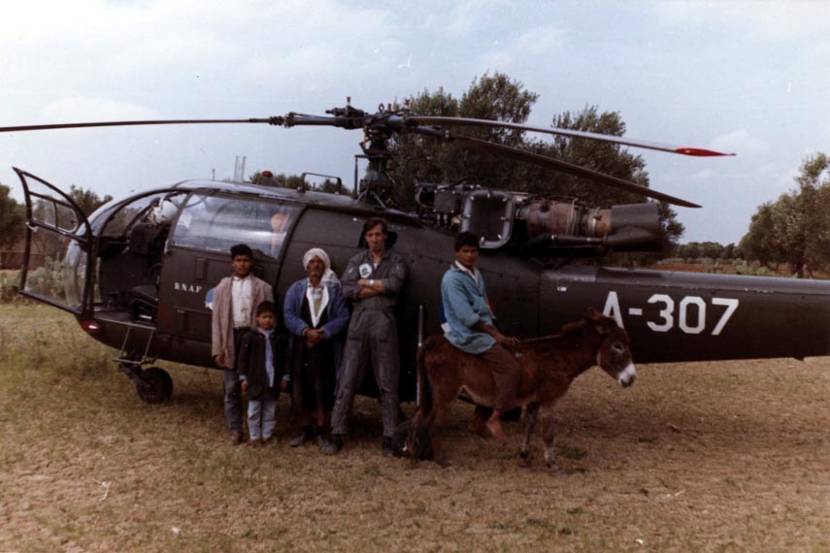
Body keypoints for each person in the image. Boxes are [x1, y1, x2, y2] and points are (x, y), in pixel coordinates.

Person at [324, 218, 407, 456]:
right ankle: (337, 432)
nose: (374, 239)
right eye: (370, 235)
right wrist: (374, 287)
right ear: (366, 237)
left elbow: (395, 285)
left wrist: (366, 284)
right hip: (358, 324)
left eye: (378, 235)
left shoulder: (396, 261)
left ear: (385, 236)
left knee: (387, 382)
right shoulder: (357, 260)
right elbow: (347, 288)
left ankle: (390, 437)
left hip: (384, 323)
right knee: (347, 379)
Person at [441, 231, 520, 440]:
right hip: (467, 334)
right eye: (465, 251)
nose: (469, 255)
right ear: (456, 253)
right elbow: (467, 317)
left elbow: (485, 305)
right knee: (510, 368)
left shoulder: (476, 273)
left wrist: (499, 331)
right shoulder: (452, 280)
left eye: (473, 251)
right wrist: (496, 336)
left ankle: (478, 421)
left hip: (484, 329)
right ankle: (496, 416)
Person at [283, 248, 350, 450]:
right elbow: (288, 314)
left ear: (325, 266)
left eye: (319, 263)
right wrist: (305, 331)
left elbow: (343, 316)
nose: (315, 266)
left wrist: (323, 333)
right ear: (306, 266)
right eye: (312, 262)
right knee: (301, 388)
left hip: (325, 349)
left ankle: (322, 431)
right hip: (301, 348)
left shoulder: (334, 291)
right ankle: (304, 428)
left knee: (323, 389)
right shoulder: (296, 289)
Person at [211, 244, 274, 445]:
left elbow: (270, 320)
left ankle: (258, 431)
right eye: (238, 260)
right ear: (232, 263)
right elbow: (217, 320)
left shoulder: (263, 288)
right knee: (231, 387)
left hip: (253, 339)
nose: (242, 264)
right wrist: (218, 348)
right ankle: (235, 429)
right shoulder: (222, 287)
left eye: (246, 260)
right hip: (232, 338)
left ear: (252, 262)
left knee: (255, 384)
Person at [237, 301, 287, 445]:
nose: (267, 320)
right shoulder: (250, 337)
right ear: (257, 318)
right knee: (253, 411)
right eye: (264, 317)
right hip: (255, 381)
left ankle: (267, 435)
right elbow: (243, 359)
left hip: (272, 381)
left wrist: (284, 377)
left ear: (275, 320)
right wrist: (243, 378)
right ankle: (254, 437)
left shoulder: (279, 338)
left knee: (270, 411)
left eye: (271, 317)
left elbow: (285, 358)